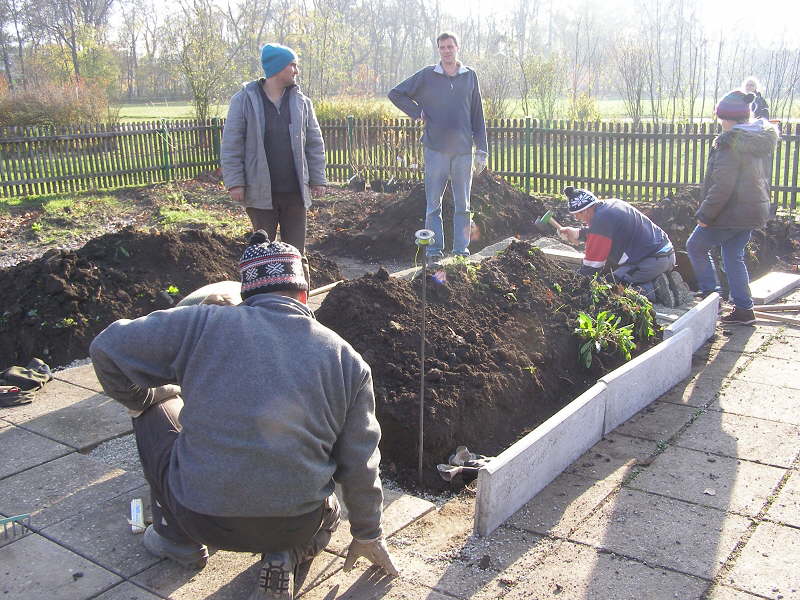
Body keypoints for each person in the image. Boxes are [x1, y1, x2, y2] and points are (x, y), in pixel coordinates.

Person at [89, 231, 398, 599]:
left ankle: (177, 541)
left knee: (154, 410)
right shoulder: (346, 359)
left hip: (198, 515)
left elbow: (105, 347)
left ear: (245, 292)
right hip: (293, 524)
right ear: (305, 293)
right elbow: (361, 462)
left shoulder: (201, 323)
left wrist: (144, 395)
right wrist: (367, 533)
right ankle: (288, 553)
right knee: (326, 508)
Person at [221, 43, 327, 285]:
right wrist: (235, 182)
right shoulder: (244, 100)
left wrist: (318, 178)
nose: (296, 71)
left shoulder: (301, 102)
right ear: (278, 67)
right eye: (293, 65)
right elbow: (231, 143)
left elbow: (314, 142)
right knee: (262, 252)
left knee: (296, 254)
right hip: (260, 193)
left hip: (295, 193)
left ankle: (300, 302)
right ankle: (262, 305)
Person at [388, 32, 488, 259]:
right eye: (442, 47)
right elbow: (396, 93)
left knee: (463, 205)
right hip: (435, 150)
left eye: (450, 46)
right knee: (434, 205)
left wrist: (482, 148)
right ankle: (434, 251)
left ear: (457, 48)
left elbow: (477, 114)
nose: (446, 50)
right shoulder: (427, 75)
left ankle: (461, 251)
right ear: (438, 50)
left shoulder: (469, 76)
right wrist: (417, 112)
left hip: (463, 151)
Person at [686, 90, 779, 325]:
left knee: (695, 246)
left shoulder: (730, 143)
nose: (719, 122)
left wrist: (705, 214)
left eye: (720, 117)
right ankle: (744, 310)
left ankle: (711, 297)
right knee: (732, 256)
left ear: (727, 117)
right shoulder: (755, 138)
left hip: (733, 212)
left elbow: (723, 186)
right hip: (751, 210)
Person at [558, 187, 675, 301]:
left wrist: (574, 282)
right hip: (661, 254)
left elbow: (592, 267)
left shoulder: (601, 220)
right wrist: (577, 233)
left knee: (610, 289)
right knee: (612, 279)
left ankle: (655, 290)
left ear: (586, 210)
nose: (577, 218)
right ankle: (658, 278)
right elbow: (601, 232)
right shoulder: (609, 206)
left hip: (653, 260)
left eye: (577, 214)